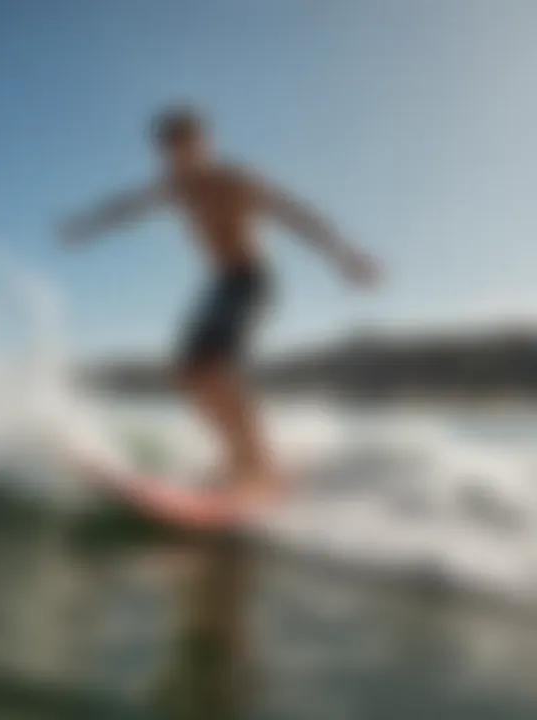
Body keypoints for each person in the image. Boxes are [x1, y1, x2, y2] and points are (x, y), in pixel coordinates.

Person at [59, 107, 379, 515]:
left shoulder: (235, 181)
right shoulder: (175, 188)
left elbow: (296, 214)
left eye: (188, 145)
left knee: (211, 367)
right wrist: (84, 225)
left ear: (203, 144)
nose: (180, 156)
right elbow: (125, 207)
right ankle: (236, 456)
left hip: (250, 281)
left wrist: (344, 255)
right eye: (172, 148)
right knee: (188, 374)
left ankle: (261, 466)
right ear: (165, 152)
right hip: (220, 286)